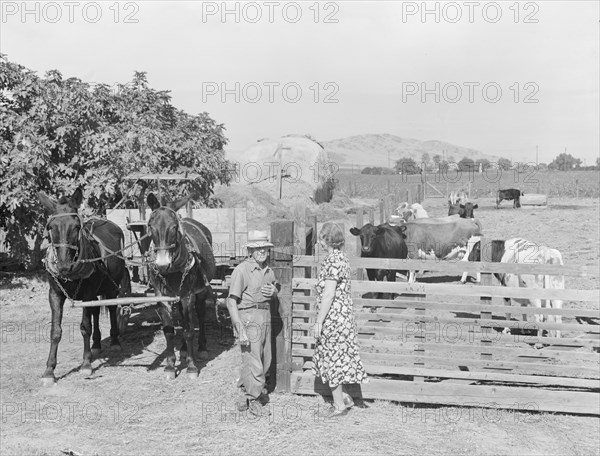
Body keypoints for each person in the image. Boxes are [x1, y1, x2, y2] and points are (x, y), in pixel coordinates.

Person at [312, 222, 368, 418]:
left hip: (333, 319)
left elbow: (328, 294)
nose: (318, 242)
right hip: (343, 318)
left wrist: (319, 321)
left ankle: (338, 406)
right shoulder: (342, 258)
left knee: (332, 360)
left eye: (320, 238)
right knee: (339, 358)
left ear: (326, 240)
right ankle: (344, 397)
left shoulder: (332, 261)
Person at [227, 230, 278, 416]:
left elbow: (274, 290)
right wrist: (240, 329)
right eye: (257, 248)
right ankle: (254, 399)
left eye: (264, 247)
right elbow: (231, 301)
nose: (261, 251)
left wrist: (274, 292)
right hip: (248, 317)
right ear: (250, 250)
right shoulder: (241, 270)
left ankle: (246, 394)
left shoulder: (269, 271)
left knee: (265, 358)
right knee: (254, 360)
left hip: (265, 316)